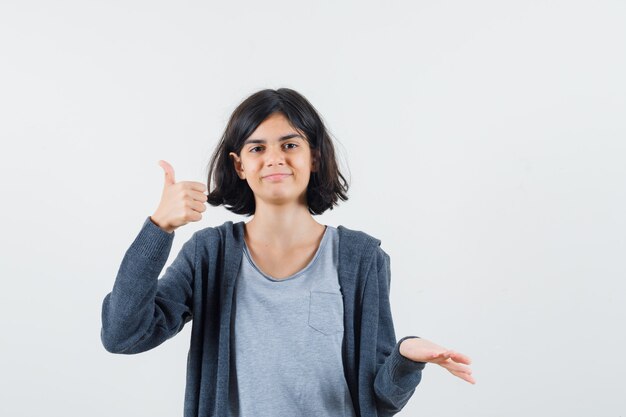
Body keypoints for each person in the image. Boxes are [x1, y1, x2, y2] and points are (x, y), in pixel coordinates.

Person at [100, 88, 475, 417]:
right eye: (257, 147)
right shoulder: (209, 254)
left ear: (313, 157)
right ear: (239, 165)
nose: (274, 158)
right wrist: (158, 228)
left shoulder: (361, 258)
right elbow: (123, 335)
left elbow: (380, 398)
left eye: (290, 145)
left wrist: (405, 357)